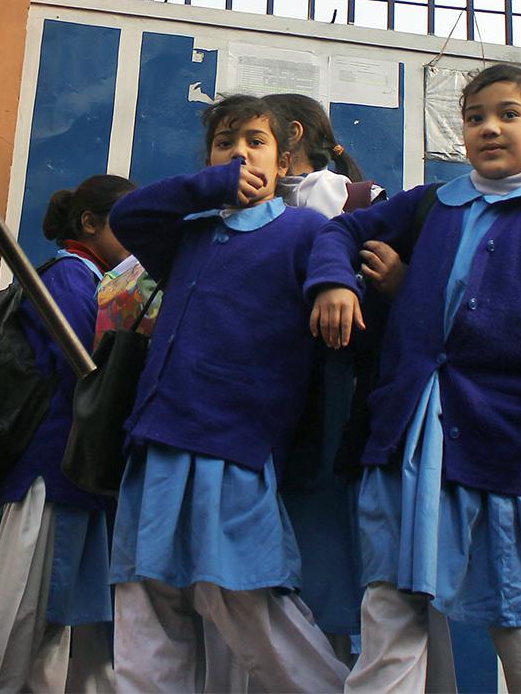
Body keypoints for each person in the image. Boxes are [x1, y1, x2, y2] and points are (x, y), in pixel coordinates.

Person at [309, 63, 521, 693]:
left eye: (509, 114)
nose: (489, 128)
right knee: (390, 612)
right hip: (402, 439)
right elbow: (342, 231)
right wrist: (336, 280)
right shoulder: (432, 203)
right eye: (476, 116)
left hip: (500, 442)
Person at [104, 94, 348, 693]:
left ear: (286, 159)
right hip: (157, 438)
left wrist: (336, 280)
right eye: (225, 143)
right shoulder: (189, 231)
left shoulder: (302, 230)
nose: (240, 154)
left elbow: (338, 262)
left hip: (233, 444)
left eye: (256, 143)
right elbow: (131, 216)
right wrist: (206, 188)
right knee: (144, 607)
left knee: (246, 601)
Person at [0, 175, 134, 694]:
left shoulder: (93, 280)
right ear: (90, 223)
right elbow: (90, 367)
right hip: (48, 473)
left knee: (54, 625)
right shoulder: (70, 277)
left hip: (73, 478)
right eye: (128, 224)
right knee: (18, 619)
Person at [266, 92, 380, 666]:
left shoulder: (333, 198)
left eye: (254, 137)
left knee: (319, 546)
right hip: (278, 388)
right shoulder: (251, 202)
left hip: (321, 389)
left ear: (289, 135)